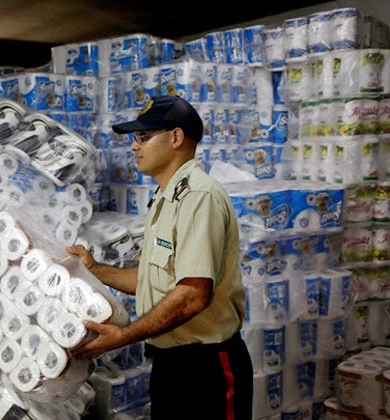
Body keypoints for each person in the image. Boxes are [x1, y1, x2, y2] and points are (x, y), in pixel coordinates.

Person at [67, 95, 253, 419]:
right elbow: (152, 279)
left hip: (206, 367)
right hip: (171, 365)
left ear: (176, 138)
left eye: (143, 137)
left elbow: (192, 294)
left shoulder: (198, 197)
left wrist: (124, 336)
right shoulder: (166, 199)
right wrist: (95, 270)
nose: (134, 147)